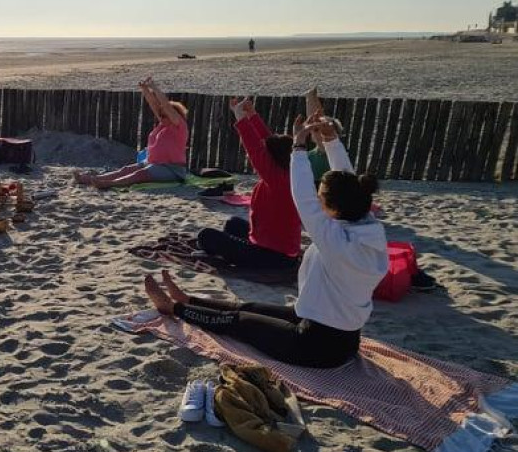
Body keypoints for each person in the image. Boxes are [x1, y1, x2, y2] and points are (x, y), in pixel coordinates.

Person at [143, 112, 388, 369]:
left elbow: (302, 195)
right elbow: (348, 182)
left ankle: (174, 309)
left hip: (317, 347)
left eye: (321, 198)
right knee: (248, 307)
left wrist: (299, 146)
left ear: (335, 208)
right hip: (336, 333)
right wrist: (331, 140)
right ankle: (188, 300)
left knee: (240, 323)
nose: (317, 200)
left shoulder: (335, 240)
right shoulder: (366, 226)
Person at [195, 97, 301, 269]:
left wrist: (241, 119)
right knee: (233, 224)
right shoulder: (287, 171)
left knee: (206, 236)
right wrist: (252, 116)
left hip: (273, 257)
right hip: (278, 250)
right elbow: (267, 142)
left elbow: (255, 149)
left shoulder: (278, 179)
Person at [74, 77, 189, 189]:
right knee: (126, 170)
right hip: (153, 163)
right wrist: (145, 89)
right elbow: (154, 104)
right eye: (161, 115)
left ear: (174, 115)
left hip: (172, 169)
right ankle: (92, 179)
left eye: (165, 115)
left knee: (140, 174)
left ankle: (109, 183)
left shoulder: (179, 126)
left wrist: (154, 87)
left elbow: (165, 105)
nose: (161, 117)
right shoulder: (163, 124)